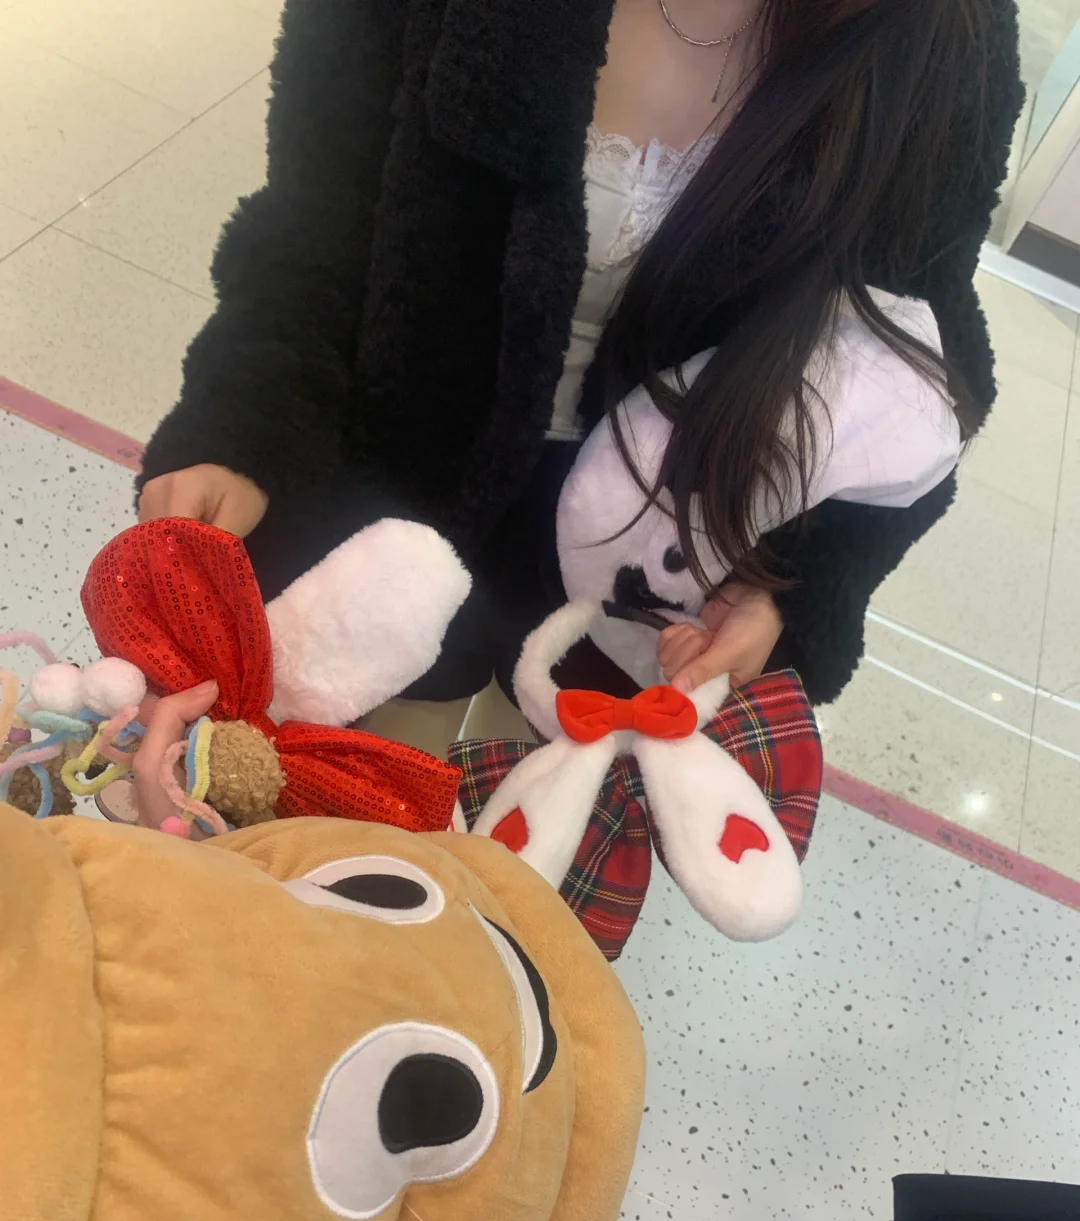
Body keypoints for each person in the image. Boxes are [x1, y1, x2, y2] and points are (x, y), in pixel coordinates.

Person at [135, 0, 1023, 755]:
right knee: (302, 837)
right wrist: (239, 429)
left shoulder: (940, 35)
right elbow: (316, 218)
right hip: (382, 490)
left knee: (510, 874)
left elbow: (918, 349)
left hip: (657, 577)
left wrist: (792, 587)